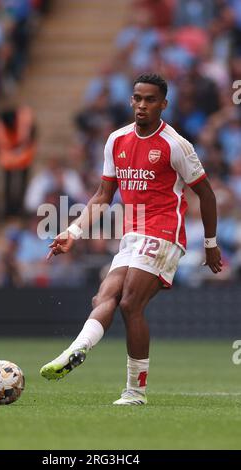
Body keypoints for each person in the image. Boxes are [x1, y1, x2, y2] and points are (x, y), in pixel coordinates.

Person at [40, 73, 222, 405]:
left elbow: (206, 196)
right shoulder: (116, 140)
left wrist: (210, 244)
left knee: (129, 303)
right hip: (132, 232)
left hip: (166, 231)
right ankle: (75, 351)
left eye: (150, 100)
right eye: (137, 98)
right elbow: (102, 195)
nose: (142, 105)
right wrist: (73, 231)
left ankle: (135, 391)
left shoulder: (176, 145)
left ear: (163, 104)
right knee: (103, 297)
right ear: (131, 100)